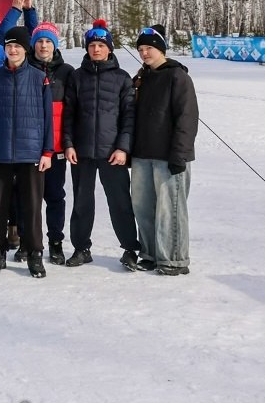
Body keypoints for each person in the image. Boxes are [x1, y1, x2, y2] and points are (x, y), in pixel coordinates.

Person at [61, 19, 141, 270]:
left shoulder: (122, 78)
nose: (96, 49)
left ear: (110, 48)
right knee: (82, 202)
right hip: (82, 152)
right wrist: (69, 144)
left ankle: (130, 248)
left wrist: (123, 148)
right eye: (92, 45)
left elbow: (129, 117)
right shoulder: (76, 77)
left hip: (112, 153)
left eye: (101, 45)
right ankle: (81, 247)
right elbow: (69, 114)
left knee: (119, 202)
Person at [0, 27, 53, 278]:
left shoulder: (38, 78)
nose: (13, 50)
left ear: (26, 49)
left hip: (30, 153)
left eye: (18, 46)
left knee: (32, 207)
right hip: (0, 151)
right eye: (9, 46)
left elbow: (47, 118)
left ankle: (35, 254)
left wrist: (47, 151)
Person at [129, 24, 198, 276]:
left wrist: (179, 154)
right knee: (143, 206)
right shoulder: (140, 78)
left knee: (170, 209)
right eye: (141, 49)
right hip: (142, 154)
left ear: (161, 49)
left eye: (149, 48)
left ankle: (173, 259)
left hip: (169, 157)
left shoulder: (177, 76)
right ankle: (149, 253)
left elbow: (187, 118)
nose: (145, 53)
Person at [27, 21, 74, 265]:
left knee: (55, 196)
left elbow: (72, 111)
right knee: (27, 197)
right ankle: (28, 242)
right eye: (40, 41)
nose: (43, 45)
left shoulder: (67, 72)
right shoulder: (24, 67)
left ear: (54, 45)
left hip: (55, 147)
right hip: (29, 147)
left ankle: (55, 242)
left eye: (48, 41)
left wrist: (68, 142)